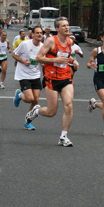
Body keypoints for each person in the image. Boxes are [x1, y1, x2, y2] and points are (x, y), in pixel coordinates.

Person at [24, 17, 79, 147]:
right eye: (64, 26)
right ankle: (35, 112)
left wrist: (72, 61)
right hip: (51, 79)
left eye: (67, 25)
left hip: (65, 77)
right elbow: (39, 58)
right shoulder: (50, 41)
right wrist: (56, 60)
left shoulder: (70, 42)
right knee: (51, 112)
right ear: (57, 28)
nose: (67, 27)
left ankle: (63, 136)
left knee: (69, 106)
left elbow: (66, 55)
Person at [12, 26, 44, 130]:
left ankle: (28, 121)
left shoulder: (43, 47)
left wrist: (43, 63)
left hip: (35, 74)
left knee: (36, 100)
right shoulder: (25, 44)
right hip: (23, 74)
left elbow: (43, 59)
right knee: (30, 98)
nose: (39, 34)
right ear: (33, 34)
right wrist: (23, 61)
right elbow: (14, 54)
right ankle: (20, 95)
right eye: (37, 33)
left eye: (41, 33)